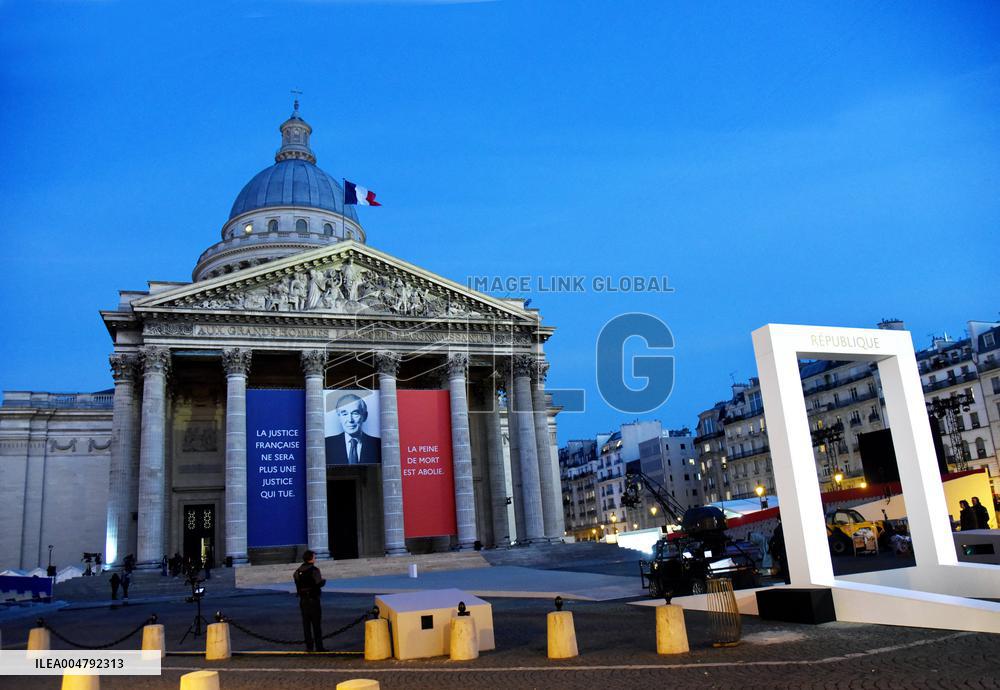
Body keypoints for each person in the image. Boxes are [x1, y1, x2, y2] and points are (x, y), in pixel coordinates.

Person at [325, 394, 381, 465]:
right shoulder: (327, 444)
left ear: (364, 416)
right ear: (339, 417)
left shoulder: (378, 444)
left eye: (355, 413)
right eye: (345, 414)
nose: (350, 420)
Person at [293, 550, 326, 652]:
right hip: (313, 600)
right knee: (316, 625)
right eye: (314, 557)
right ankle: (319, 647)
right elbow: (318, 583)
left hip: (303, 600)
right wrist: (323, 581)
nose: (315, 559)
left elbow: (297, 582)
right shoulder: (314, 570)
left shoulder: (298, 571)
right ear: (311, 558)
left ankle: (309, 647)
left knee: (306, 625)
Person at [768, 520, 790, 584]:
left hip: (782, 553)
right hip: (788, 552)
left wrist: (776, 555)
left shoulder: (777, 530)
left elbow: (777, 544)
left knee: (785, 570)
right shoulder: (789, 526)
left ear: (778, 520)